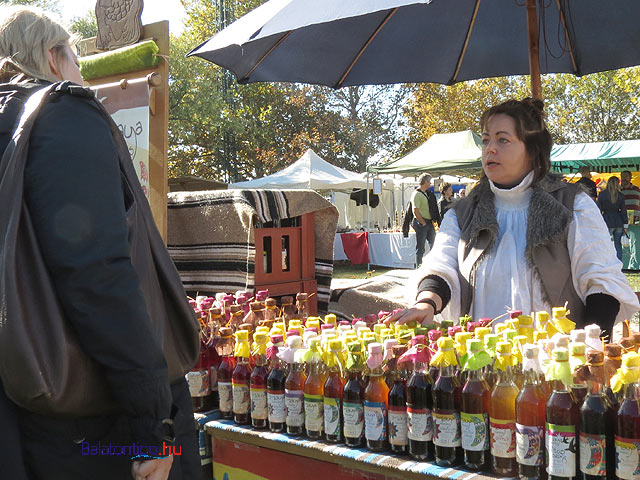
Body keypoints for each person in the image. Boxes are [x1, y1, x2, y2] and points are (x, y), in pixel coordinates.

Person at [0, 6, 199, 480]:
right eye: (75, 59)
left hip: (23, 398)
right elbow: (96, 272)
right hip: (93, 421)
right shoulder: (63, 111)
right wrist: (154, 424)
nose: (80, 73)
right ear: (53, 57)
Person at [390, 98, 638, 337]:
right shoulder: (463, 213)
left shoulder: (572, 205)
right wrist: (426, 303)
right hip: (483, 367)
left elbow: (601, 282)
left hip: (557, 366)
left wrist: (588, 347)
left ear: (531, 150)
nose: (490, 148)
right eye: (486, 140)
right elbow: (441, 266)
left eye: (503, 139)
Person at [411, 172, 441, 268]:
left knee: (434, 244)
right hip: (421, 223)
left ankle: (433, 265)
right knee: (421, 248)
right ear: (426, 182)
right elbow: (415, 210)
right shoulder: (416, 194)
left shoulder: (426, 193)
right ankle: (419, 267)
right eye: (429, 182)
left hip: (428, 222)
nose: (430, 184)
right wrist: (423, 222)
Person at [597, 176, 628, 262]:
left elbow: (598, 210)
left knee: (605, 244)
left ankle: (606, 263)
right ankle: (618, 264)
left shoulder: (602, 194)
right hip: (618, 221)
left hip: (606, 220)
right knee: (618, 245)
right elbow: (623, 211)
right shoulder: (621, 195)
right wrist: (625, 225)